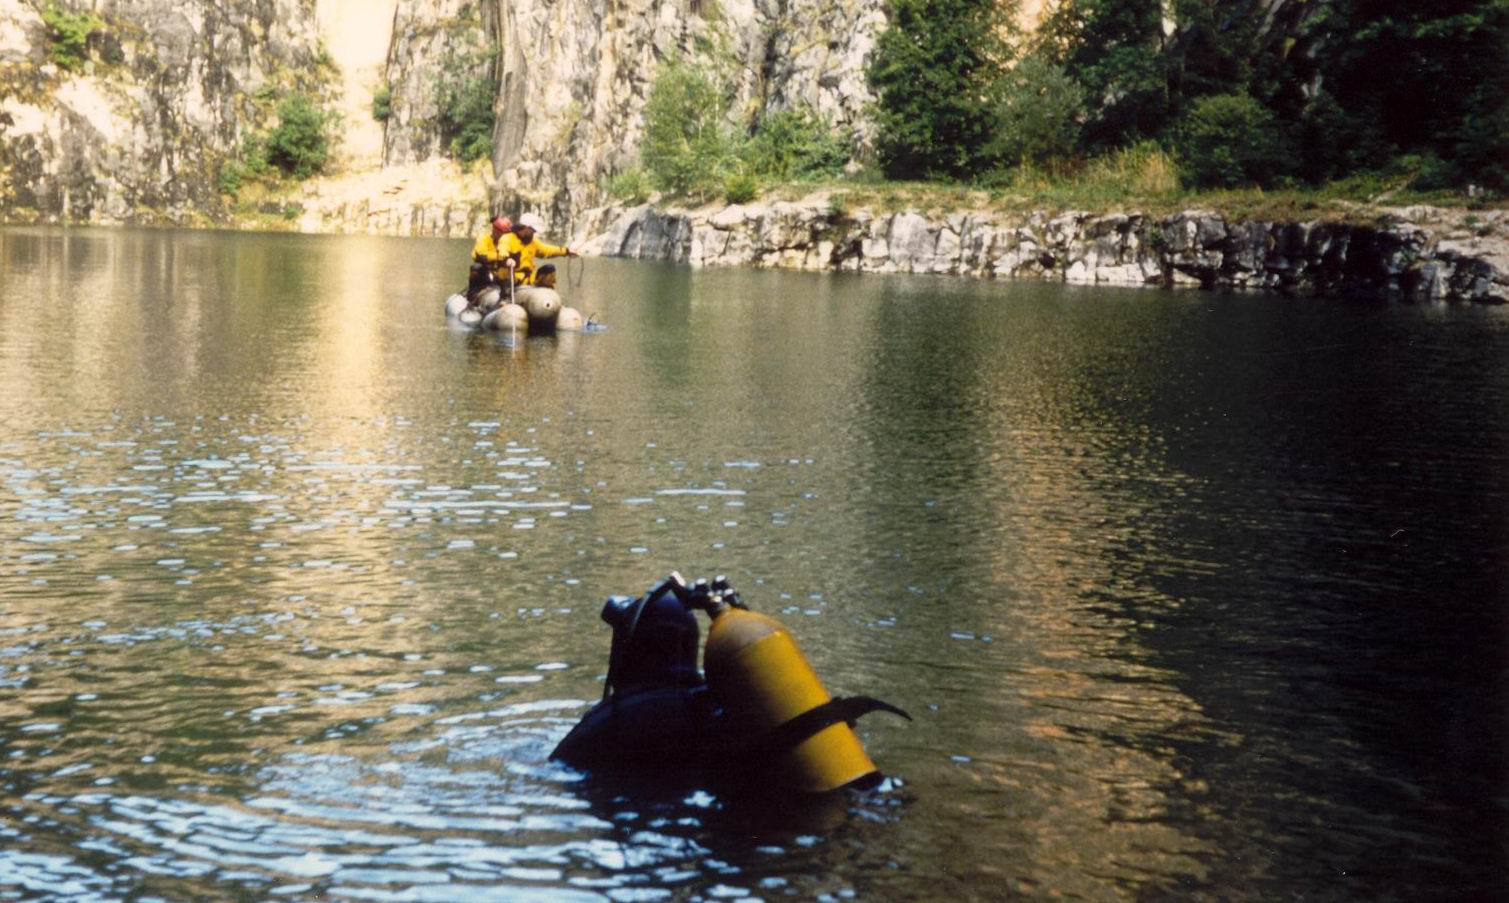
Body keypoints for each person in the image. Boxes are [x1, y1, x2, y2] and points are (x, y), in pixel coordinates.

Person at [502, 213, 576, 286]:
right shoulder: (507, 238)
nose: (534, 233)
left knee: (549, 269)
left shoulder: (532, 242)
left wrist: (567, 251)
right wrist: (507, 259)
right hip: (512, 279)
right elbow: (502, 250)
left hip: (528, 279)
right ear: (526, 228)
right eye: (533, 230)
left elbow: (546, 250)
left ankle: (543, 289)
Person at [469, 216, 512, 294]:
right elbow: (481, 257)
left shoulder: (508, 242)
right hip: (486, 271)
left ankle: (506, 290)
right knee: (476, 267)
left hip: (501, 273)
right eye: (503, 233)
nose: (505, 236)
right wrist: (499, 257)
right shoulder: (483, 239)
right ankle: (472, 291)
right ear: (495, 230)